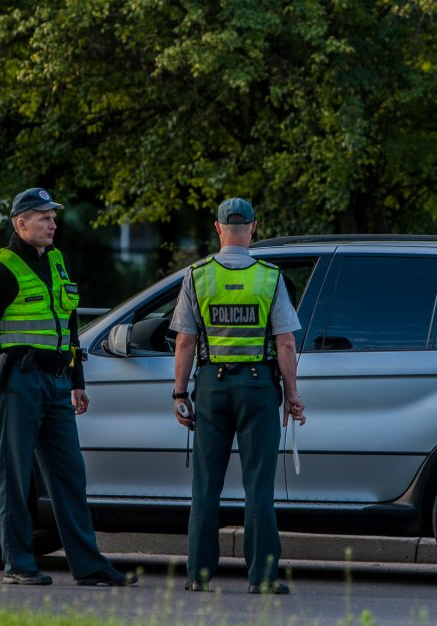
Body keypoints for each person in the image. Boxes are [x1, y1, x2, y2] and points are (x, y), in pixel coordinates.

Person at [0, 187, 137, 587]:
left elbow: (68, 327)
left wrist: (78, 381)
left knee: (70, 476)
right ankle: (19, 565)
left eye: (54, 217)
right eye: (44, 217)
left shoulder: (56, 260)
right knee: (16, 475)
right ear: (20, 223)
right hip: (20, 381)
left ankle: (89, 567)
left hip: (57, 384)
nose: (53, 223)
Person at [170, 197, 306, 594]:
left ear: (217, 229)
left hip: (211, 386)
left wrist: (180, 392)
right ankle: (262, 578)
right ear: (253, 228)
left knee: (206, 485)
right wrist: (293, 395)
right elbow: (285, 344)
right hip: (259, 387)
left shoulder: (198, 276)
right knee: (259, 486)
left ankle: (199, 575)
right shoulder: (269, 277)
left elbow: (184, 342)